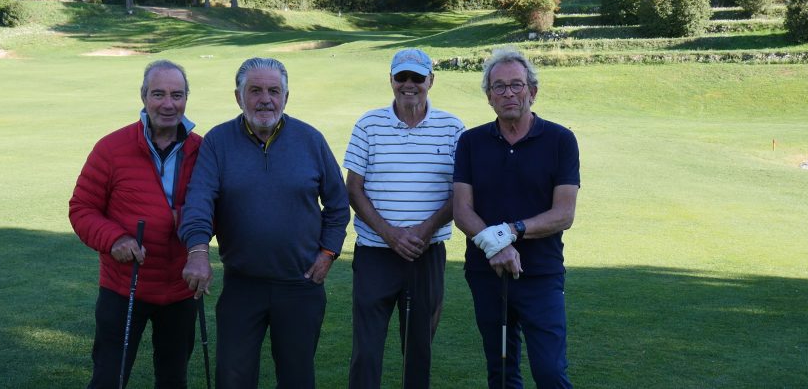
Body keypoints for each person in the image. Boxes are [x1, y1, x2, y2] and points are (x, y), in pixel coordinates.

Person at [178, 57, 349, 389]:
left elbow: (338, 204)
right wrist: (198, 251)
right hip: (243, 284)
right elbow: (200, 199)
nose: (265, 99)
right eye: (254, 91)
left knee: (297, 378)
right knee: (234, 378)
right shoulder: (218, 141)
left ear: (286, 96)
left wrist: (328, 252)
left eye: (274, 90)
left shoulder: (310, 140)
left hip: (301, 284)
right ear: (238, 97)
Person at [69, 60, 203, 389]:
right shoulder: (112, 148)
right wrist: (115, 239)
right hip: (124, 285)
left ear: (187, 98)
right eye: (158, 94)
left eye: (177, 94)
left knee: (173, 380)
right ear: (143, 96)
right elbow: (82, 208)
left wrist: (185, 222)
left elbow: (217, 206)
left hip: (179, 288)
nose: (168, 104)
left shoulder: (203, 150)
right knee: (108, 379)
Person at [452, 48, 581, 389]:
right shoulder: (470, 142)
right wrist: (494, 248)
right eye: (499, 87)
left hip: (541, 274)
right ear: (489, 97)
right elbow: (462, 209)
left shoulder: (560, 140)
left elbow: (563, 214)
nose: (508, 93)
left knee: (550, 372)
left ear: (532, 91)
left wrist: (510, 233)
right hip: (486, 273)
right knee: (503, 371)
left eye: (516, 85)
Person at [343, 49, 464, 389]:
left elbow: (462, 193)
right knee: (366, 351)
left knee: (418, 349)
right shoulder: (369, 124)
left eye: (417, 78)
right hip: (375, 254)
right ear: (392, 81)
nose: (409, 85)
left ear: (431, 81)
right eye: (402, 77)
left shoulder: (453, 127)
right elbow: (354, 189)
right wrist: (391, 234)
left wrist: (424, 231)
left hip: (427, 255)